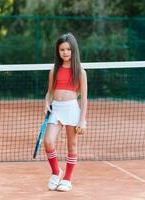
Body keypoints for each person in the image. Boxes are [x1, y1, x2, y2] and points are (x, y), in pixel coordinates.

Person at [43, 33, 88, 192]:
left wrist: (82, 120)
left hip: (71, 110)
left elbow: (83, 99)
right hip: (56, 109)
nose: (65, 52)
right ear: (58, 51)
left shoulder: (80, 72)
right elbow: (49, 92)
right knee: (48, 141)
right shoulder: (54, 70)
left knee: (72, 145)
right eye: (62, 49)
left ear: (73, 50)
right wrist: (47, 102)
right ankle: (56, 172)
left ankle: (67, 179)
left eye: (68, 49)